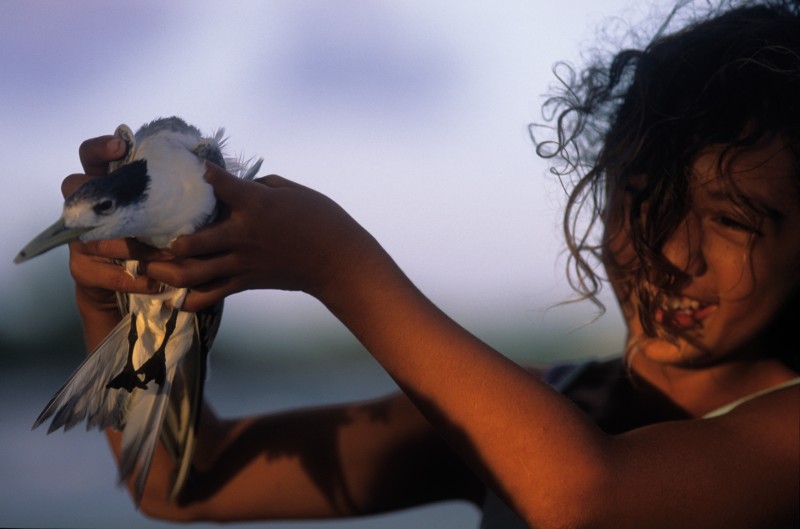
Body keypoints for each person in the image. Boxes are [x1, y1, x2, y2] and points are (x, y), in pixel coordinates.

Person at [61, 1, 798, 527]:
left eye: (734, 220)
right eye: (644, 200)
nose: (675, 257)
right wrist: (122, 309)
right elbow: (183, 484)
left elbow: (586, 497)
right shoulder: (546, 409)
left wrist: (336, 262)